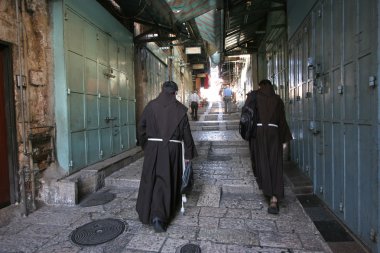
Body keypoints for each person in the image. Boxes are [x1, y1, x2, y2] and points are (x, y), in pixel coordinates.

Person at [136, 81, 197, 233]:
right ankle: (160, 217)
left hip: (153, 148)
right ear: (175, 93)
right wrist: (188, 155)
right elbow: (186, 135)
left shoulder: (151, 106)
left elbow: (141, 127)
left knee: (151, 179)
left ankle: (148, 213)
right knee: (166, 180)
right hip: (172, 150)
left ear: (162, 90)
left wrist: (146, 145)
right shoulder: (180, 110)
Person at [245, 79, 292, 214]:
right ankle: (275, 199)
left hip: (259, 133)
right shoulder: (277, 100)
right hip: (274, 133)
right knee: (275, 164)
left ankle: (269, 193)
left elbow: (246, 115)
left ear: (260, 86)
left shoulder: (254, 96)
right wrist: (284, 140)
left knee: (262, 162)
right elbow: (282, 120)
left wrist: (248, 134)